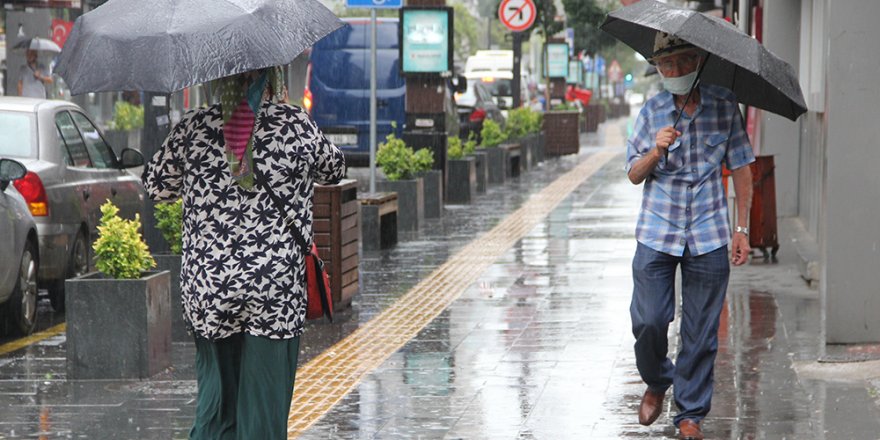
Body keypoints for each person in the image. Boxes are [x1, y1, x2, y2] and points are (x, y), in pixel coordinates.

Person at [143, 66, 345, 439]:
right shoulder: (294, 124)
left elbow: (156, 186)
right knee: (263, 410)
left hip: (211, 285)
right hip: (274, 288)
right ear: (271, 78)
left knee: (217, 405)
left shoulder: (194, 126)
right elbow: (334, 169)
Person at [625, 32, 754, 440]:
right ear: (658, 68)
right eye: (666, 65)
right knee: (648, 321)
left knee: (701, 330)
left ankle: (690, 414)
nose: (675, 71)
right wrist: (655, 151)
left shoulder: (723, 107)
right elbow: (633, 174)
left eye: (682, 62)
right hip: (657, 232)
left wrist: (742, 229)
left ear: (698, 60)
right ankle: (657, 380)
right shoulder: (651, 112)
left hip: (709, 232)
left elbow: (743, 168)